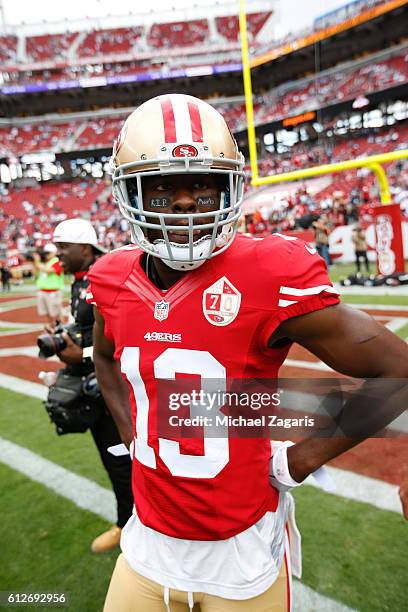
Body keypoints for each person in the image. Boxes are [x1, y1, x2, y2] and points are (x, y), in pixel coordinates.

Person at [87, 94, 408, 611]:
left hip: (242, 556)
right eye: (164, 185)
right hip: (146, 545)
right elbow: (104, 358)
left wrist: (300, 459)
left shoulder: (269, 272)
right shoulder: (111, 277)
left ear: (230, 188)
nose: (187, 201)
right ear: (131, 193)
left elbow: (398, 369)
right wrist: (134, 432)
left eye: (204, 183)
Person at [49, 219, 133, 553]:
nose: (58, 255)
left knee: (124, 459)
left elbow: (124, 336)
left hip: (115, 386)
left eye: (63, 248)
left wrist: (79, 353)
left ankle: (134, 524)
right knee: (111, 458)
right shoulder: (80, 281)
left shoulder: (108, 276)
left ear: (84, 248)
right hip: (95, 383)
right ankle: (126, 521)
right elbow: (90, 329)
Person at [33, 243, 64, 325]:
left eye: (48, 253)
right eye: (45, 253)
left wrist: (37, 262)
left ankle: (62, 329)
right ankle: (52, 328)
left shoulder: (57, 261)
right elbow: (35, 274)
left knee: (56, 313)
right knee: (47, 313)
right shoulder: (43, 263)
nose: (46, 255)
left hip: (53, 292)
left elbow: (49, 270)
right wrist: (35, 263)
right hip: (42, 291)